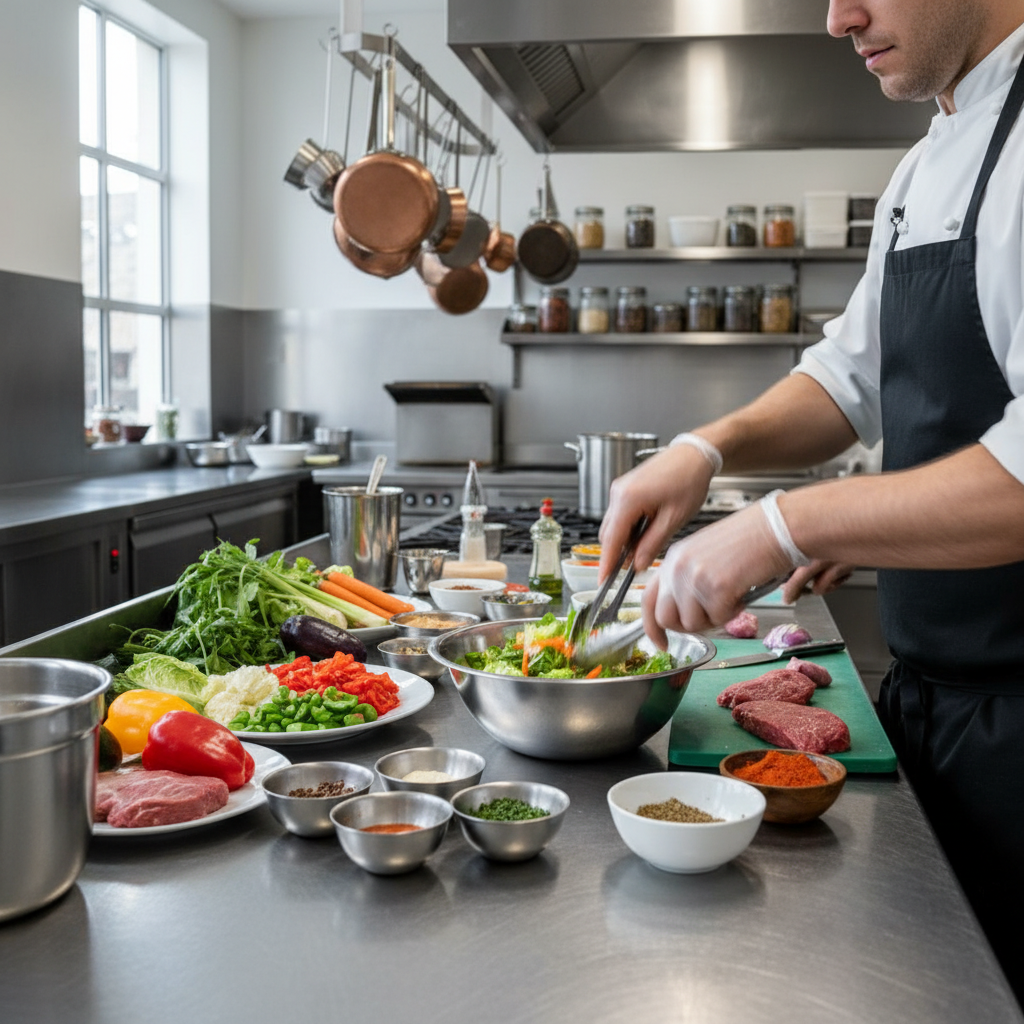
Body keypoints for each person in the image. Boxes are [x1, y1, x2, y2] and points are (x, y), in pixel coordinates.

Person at [599, 0, 1024, 1000]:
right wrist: (708, 450)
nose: (838, 18)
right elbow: (848, 381)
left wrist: (781, 522)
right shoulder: (927, 163)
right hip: (937, 705)